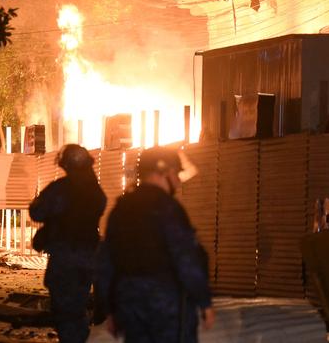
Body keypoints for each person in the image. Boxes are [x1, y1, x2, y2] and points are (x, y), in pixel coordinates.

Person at [95, 146, 214, 343]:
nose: (177, 180)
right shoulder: (168, 208)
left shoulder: (121, 209)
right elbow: (186, 258)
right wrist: (204, 301)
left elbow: (106, 263)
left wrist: (110, 309)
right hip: (165, 302)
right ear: (163, 171)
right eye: (175, 173)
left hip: (130, 302)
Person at [29, 144, 106, 343]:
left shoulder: (61, 189)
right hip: (89, 256)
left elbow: (37, 211)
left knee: (66, 313)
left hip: (65, 258)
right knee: (77, 308)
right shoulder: (95, 191)